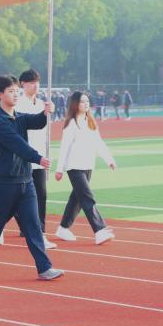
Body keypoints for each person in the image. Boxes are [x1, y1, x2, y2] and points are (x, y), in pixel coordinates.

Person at [0, 75, 63, 281]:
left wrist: (46, 112)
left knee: (33, 225)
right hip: (5, 184)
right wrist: (38, 158)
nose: (15, 94)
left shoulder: (19, 117)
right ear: (0, 94)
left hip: (26, 181)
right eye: (11, 91)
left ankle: (44, 268)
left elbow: (37, 122)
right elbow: (17, 144)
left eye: (17, 91)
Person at [53, 91, 116, 245]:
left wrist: (109, 160)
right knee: (87, 197)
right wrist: (59, 169)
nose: (86, 104)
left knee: (77, 199)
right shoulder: (71, 124)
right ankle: (100, 230)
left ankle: (63, 228)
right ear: (75, 104)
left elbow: (99, 143)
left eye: (87, 101)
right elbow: (64, 147)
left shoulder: (91, 121)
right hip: (74, 166)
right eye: (82, 101)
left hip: (88, 165)